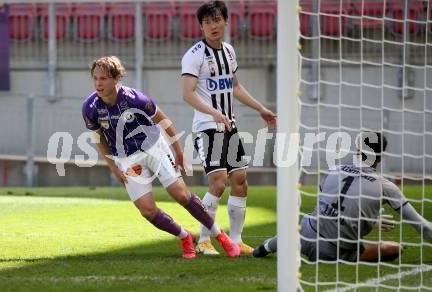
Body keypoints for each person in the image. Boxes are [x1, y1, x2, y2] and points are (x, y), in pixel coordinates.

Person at [82, 56, 240, 259]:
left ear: (115, 79)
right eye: (95, 78)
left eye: (103, 78)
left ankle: (220, 236)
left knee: (180, 194)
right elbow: (99, 139)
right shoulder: (90, 107)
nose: (98, 83)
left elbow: (163, 120)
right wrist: (113, 167)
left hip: (154, 147)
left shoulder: (134, 98)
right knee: (147, 211)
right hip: (128, 160)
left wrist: (179, 152)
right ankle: (185, 236)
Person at [181, 1, 277, 255]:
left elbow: (235, 87)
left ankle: (235, 239)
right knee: (218, 182)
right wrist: (214, 113)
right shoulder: (194, 55)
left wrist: (260, 108)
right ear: (201, 26)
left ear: (225, 21)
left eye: (217, 20)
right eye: (208, 22)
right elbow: (188, 94)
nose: (213, 25)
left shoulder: (229, 52)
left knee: (240, 180)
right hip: (207, 127)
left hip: (230, 126)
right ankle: (203, 240)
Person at [298, 132, 432, 262]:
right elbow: (423, 227)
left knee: (304, 226)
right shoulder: (386, 186)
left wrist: (367, 219)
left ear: (357, 152)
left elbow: (328, 204)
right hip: (331, 251)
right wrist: (368, 221)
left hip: (305, 235)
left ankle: (277, 244)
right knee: (395, 248)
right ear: (379, 159)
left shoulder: (335, 169)